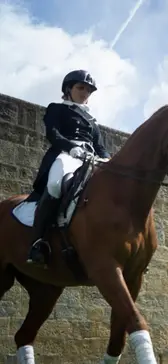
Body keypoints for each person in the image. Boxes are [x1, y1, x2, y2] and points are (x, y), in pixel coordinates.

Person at [26, 69, 111, 267]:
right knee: (55, 184)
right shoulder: (57, 109)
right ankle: (38, 242)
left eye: (88, 90)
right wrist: (71, 147)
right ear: (68, 89)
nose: (85, 93)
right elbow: (53, 134)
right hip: (66, 155)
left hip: (91, 158)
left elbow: (100, 146)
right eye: (81, 88)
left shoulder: (92, 120)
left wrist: (107, 159)